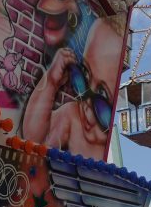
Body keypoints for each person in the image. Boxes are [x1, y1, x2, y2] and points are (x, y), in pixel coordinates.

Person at [21, 16, 124, 158]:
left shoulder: (103, 151)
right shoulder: (72, 115)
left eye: (103, 93)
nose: (86, 104)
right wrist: (51, 81)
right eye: (85, 77)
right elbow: (32, 137)